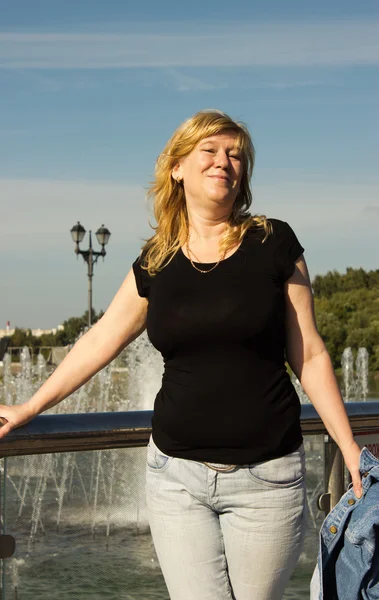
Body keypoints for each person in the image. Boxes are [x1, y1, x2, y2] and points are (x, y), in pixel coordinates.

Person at [0, 110, 363, 600]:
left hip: (268, 480)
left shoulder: (274, 242)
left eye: (235, 155)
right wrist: (29, 407)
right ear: (177, 168)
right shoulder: (157, 259)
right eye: (210, 152)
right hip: (175, 479)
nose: (224, 162)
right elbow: (98, 341)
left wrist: (348, 445)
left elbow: (312, 354)